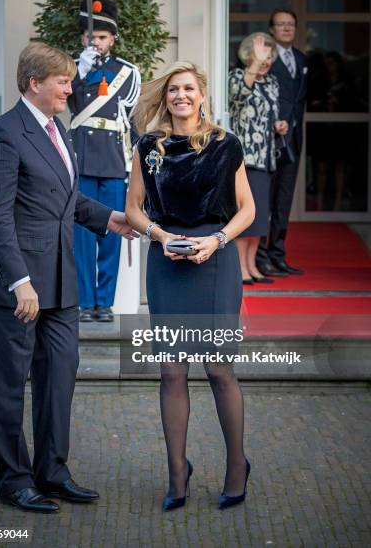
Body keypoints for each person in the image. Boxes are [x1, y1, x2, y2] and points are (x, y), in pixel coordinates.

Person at [0, 42, 137, 513]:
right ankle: (14, 480)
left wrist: (110, 218)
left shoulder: (58, 130)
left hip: (62, 282)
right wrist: (18, 280)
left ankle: (53, 472)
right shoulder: (4, 135)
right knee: (9, 384)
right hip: (17, 285)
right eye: (62, 81)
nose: (70, 87)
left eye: (69, 80)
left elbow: (67, 201)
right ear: (33, 84)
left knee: (59, 378)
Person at [126, 61, 255, 510]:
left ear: (202, 96)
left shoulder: (225, 144)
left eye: (188, 89)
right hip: (167, 262)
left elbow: (247, 210)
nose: (181, 95)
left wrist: (217, 239)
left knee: (219, 369)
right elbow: (135, 209)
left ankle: (237, 465)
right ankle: (177, 471)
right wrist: (160, 236)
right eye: (173, 90)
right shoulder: (148, 146)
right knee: (172, 371)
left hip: (215, 262)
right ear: (166, 98)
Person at [68, 0, 141, 323]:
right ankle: (85, 302)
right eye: (90, 36)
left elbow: (134, 122)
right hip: (82, 158)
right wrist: (80, 71)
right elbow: (65, 106)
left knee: (113, 232)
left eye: (101, 36)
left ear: (112, 39)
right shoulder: (72, 70)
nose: (94, 41)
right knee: (82, 236)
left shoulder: (126, 72)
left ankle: (104, 302)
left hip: (113, 162)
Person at [228, 33, 288, 285]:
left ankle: (251, 265)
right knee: (247, 215)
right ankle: (240, 268)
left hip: (266, 158)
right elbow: (240, 96)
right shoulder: (237, 77)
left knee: (261, 218)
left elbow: (266, 113)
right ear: (247, 55)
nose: (265, 60)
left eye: (269, 56)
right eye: (261, 55)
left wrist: (278, 125)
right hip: (247, 157)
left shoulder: (272, 82)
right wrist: (254, 65)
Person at [257, 8, 308, 277]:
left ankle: (278, 254)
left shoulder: (301, 58)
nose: (287, 28)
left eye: (291, 24)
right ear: (272, 29)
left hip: (293, 139)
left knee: (284, 201)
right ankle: (261, 256)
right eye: (281, 24)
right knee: (266, 199)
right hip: (269, 139)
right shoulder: (265, 57)